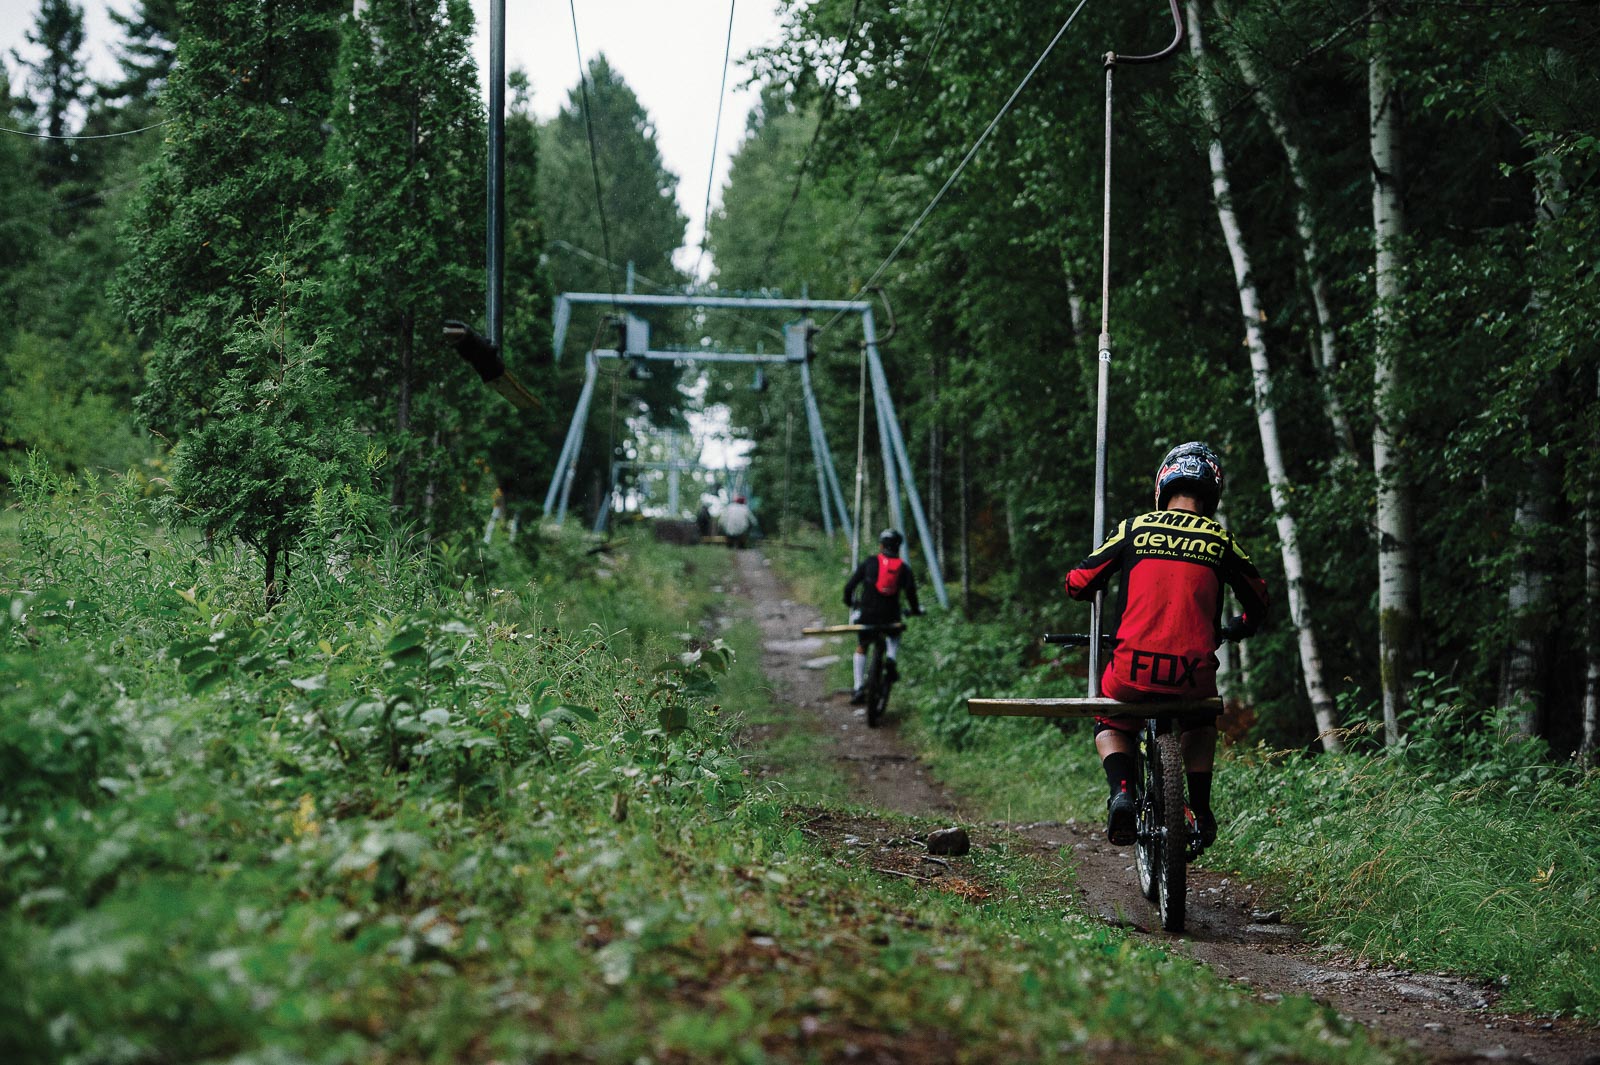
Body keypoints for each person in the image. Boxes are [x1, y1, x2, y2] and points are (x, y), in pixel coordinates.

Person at [1064, 441, 1268, 850]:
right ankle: (1203, 810)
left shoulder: (1133, 529)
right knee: (1199, 723)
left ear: (1163, 485)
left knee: (1112, 721)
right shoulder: (1221, 541)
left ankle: (1122, 792)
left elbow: (1078, 583)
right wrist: (1240, 625)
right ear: (1212, 492)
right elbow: (1260, 602)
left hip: (1131, 672)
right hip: (1192, 678)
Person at [843, 529, 923, 703]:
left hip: (867, 616)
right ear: (898, 547)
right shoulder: (903, 568)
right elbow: (911, 594)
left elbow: (849, 587)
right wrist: (915, 610)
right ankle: (892, 659)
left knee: (862, 647)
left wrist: (851, 604)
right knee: (895, 633)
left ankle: (858, 688)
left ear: (881, 545)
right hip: (890, 617)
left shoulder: (870, 562)